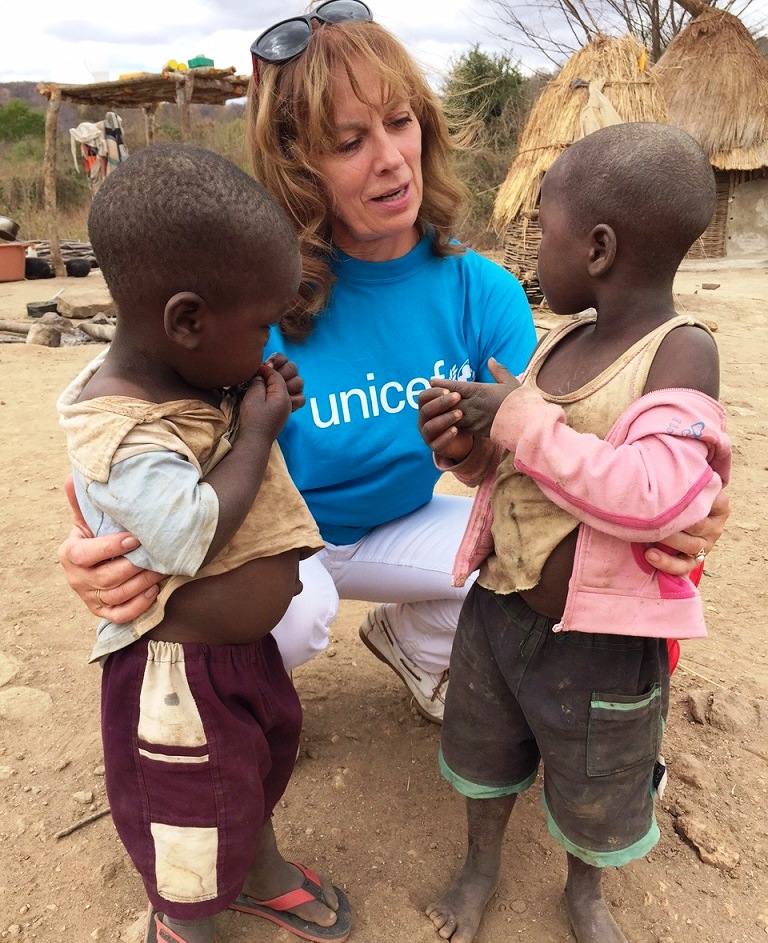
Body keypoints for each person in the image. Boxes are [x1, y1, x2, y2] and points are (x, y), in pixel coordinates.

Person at [56, 3, 729, 727]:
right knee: (293, 615)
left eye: (400, 121)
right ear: (297, 165)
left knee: (535, 555)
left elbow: (569, 444)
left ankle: (416, 643)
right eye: (349, 141)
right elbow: (135, 419)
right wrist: (91, 539)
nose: (390, 158)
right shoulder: (249, 292)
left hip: (401, 524)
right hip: (274, 538)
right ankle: (238, 716)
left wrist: (690, 495)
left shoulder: (482, 293)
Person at [416, 123, 731, 943]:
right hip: (500, 609)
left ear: (597, 248)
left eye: (541, 229)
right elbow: (523, 469)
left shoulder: (681, 352)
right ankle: (482, 865)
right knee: (483, 752)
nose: (531, 245)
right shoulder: (558, 343)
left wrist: (523, 421)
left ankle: (584, 894)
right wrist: (467, 449)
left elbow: (658, 492)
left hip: (602, 644)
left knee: (600, 779)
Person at [57, 144, 351, 943]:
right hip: (175, 680)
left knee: (254, 766)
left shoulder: (189, 373)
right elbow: (187, 528)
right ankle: (184, 920)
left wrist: (258, 403)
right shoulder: (121, 433)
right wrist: (256, 431)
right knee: (187, 807)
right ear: (186, 320)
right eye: (261, 328)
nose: (268, 344)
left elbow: (221, 443)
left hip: (237, 657)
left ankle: (257, 871)